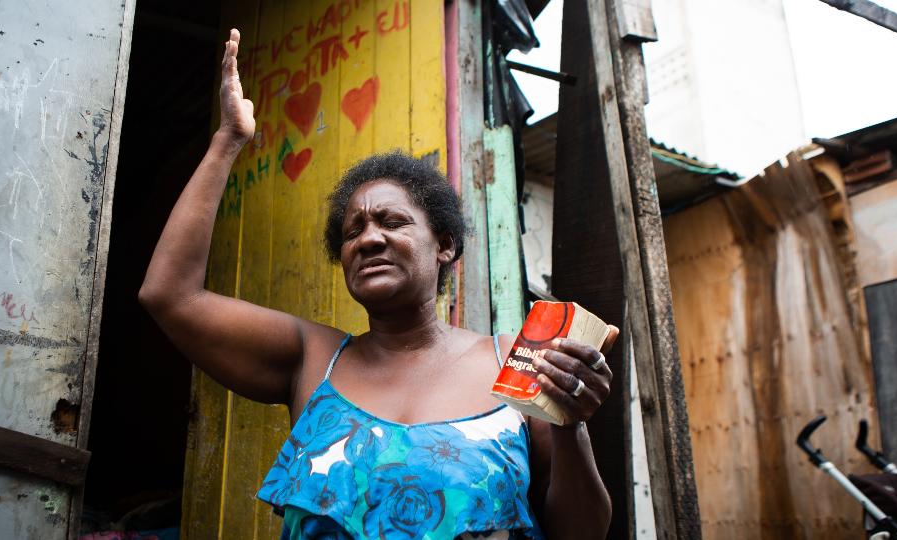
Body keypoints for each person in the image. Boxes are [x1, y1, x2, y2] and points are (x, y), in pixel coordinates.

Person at [139, 29, 619, 540]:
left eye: (392, 222)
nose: (369, 239)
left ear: (446, 246)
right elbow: (169, 294)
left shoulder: (514, 365)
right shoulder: (313, 359)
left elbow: (581, 534)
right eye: (353, 231)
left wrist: (571, 427)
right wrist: (227, 141)